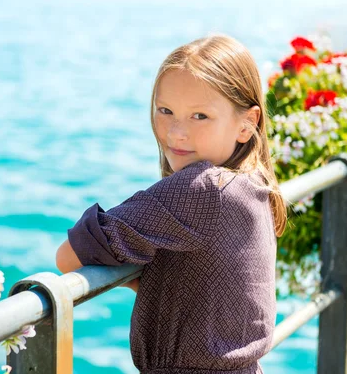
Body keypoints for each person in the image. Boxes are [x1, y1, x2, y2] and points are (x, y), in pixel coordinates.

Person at [55, 33, 287, 374]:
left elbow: (68, 256)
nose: (176, 132)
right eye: (166, 111)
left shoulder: (204, 189)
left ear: (247, 123)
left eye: (200, 116)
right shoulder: (255, 184)